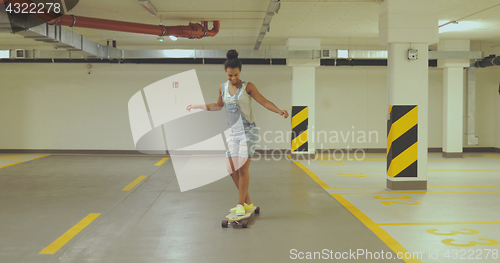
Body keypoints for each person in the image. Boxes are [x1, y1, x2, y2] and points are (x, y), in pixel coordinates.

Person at [186, 49, 289, 216]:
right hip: (233, 133)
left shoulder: (248, 86)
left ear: (240, 72)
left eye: (235, 75)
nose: (233, 79)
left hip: (248, 131)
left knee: (242, 168)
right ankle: (248, 203)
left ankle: (240, 204)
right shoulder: (223, 88)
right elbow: (219, 106)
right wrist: (198, 106)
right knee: (230, 168)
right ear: (225, 74)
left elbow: (263, 101)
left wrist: (278, 110)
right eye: (229, 76)